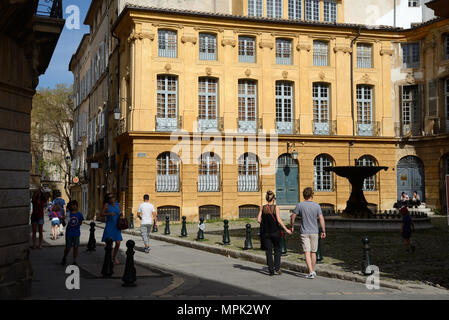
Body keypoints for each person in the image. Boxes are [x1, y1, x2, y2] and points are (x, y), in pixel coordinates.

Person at [290, 187, 326, 279]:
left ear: (304, 195)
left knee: (307, 252)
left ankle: (311, 271)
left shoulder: (300, 205)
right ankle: (312, 271)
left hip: (304, 232)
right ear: (312, 195)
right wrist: (323, 230)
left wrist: (292, 226)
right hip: (314, 231)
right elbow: (321, 218)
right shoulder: (317, 206)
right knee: (313, 252)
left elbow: (293, 216)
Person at [257, 190, 292, 276]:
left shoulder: (262, 207)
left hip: (265, 233)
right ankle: (277, 268)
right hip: (275, 232)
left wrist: (264, 223)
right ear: (273, 199)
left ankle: (271, 270)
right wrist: (286, 229)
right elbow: (279, 220)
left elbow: (258, 220)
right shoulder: (276, 207)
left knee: (268, 251)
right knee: (277, 249)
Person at [101, 193, 123, 264]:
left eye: (112, 197)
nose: (111, 199)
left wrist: (121, 214)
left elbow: (120, 213)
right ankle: (109, 257)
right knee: (109, 244)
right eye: (109, 198)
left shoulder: (118, 204)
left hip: (117, 226)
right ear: (108, 199)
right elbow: (101, 214)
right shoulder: (106, 205)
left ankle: (114, 257)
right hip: (109, 226)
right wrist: (109, 214)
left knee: (118, 242)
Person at [62, 200, 84, 266]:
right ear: (70, 206)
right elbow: (64, 224)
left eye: (75, 205)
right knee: (68, 248)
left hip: (76, 233)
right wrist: (63, 219)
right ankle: (65, 256)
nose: (74, 206)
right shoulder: (68, 214)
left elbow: (80, 223)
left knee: (76, 247)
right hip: (69, 233)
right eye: (72, 205)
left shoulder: (79, 214)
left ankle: (74, 260)